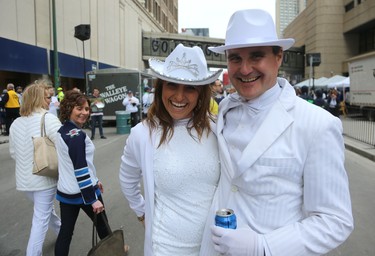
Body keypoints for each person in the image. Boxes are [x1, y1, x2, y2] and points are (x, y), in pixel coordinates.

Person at [200, 9, 353, 256]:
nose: (245, 69)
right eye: (235, 58)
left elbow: (335, 220)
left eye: (256, 56)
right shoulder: (226, 108)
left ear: (278, 56)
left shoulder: (317, 124)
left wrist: (264, 246)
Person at [119, 44, 222, 255]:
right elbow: (127, 178)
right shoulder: (143, 134)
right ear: (161, 88)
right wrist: (141, 213)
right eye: (172, 85)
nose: (179, 96)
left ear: (201, 93)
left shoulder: (218, 129)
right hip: (165, 248)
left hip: (212, 248)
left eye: (190, 88)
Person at [54, 90, 111, 256]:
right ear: (69, 108)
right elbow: (80, 168)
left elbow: (77, 163)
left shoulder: (62, 130)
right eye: (79, 108)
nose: (84, 112)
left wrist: (96, 179)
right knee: (103, 227)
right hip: (84, 192)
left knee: (65, 233)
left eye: (86, 109)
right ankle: (114, 252)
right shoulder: (77, 135)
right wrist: (92, 199)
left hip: (66, 192)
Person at [9, 80, 61, 256]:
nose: (50, 101)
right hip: (44, 178)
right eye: (47, 97)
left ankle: (61, 231)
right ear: (38, 99)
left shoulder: (15, 123)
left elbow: (13, 153)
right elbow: (64, 147)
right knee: (40, 219)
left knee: (45, 210)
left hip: (24, 182)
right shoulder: (48, 118)